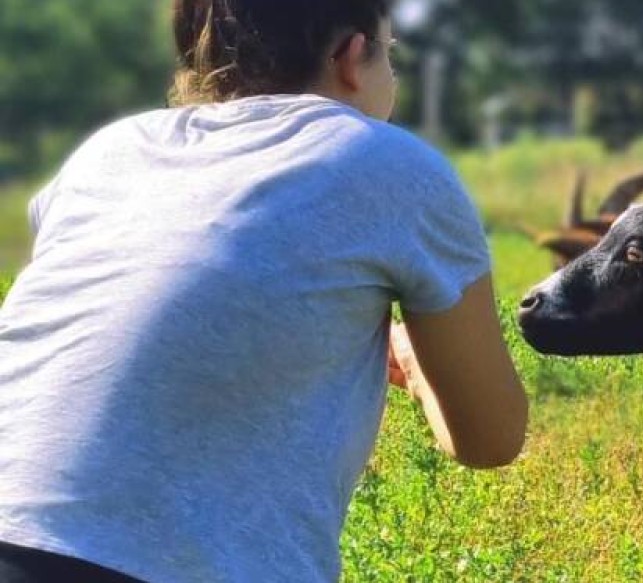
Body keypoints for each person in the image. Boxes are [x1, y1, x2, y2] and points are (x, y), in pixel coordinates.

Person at [0, 1, 529, 581]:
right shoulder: (392, 165)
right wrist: (408, 357)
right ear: (351, 57)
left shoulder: (107, 154)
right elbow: (490, 437)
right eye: (391, 55)